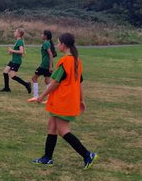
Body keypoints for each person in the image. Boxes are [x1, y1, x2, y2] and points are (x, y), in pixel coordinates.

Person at [29, 32, 98, 168]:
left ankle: (87, 154)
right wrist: (81, 100)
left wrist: (41, 96)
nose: (57, 45)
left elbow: (55, 83)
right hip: (65, 101)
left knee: (63, 130)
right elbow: (79, 82)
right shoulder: (77, 61)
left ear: (63, 45)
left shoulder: (65, 61)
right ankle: (47, 158)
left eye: (58, 42)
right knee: (52, 127)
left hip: (63, 101)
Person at [0, 28, 32, 94]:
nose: (14, 32)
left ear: (19, 34)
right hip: (13, 60)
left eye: (15, 31)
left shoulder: (20, 41)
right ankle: (7, 88)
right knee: (5, 72)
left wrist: (12, 50)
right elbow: (18, 51)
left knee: (12, 76)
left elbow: (21, 51)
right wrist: (11, 52)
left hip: (16, 61)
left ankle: (26, 84)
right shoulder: (17, 41)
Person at [30, 29, 56, 94]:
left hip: (44, 65)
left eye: (42, 34)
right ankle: (51, 98)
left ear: (45, 36)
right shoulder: (49, 42)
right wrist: (51, 66)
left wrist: (50, 67)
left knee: (34, 78)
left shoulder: (46, 43)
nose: (41, 35)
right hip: (48, 65)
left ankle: (35, 96)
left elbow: (50, 54)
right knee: (47, 81)